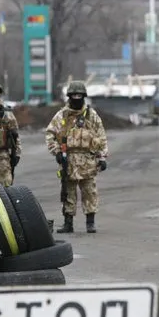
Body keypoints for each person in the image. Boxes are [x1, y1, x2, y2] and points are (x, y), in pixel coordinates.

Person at [45, 81, 108, 234]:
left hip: (88, 160)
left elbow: (101, 137)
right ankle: (68, 223)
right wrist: (57, 152)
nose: (76, 98)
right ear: (69, 96)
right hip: (69, 159)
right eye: (74, 95)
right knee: (68, 192)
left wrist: (102, 157)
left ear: (84, 96)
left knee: (89, 192)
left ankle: (90, 222)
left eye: (79, 95)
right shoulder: (62, 116)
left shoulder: (91, 116)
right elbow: (50, 135)